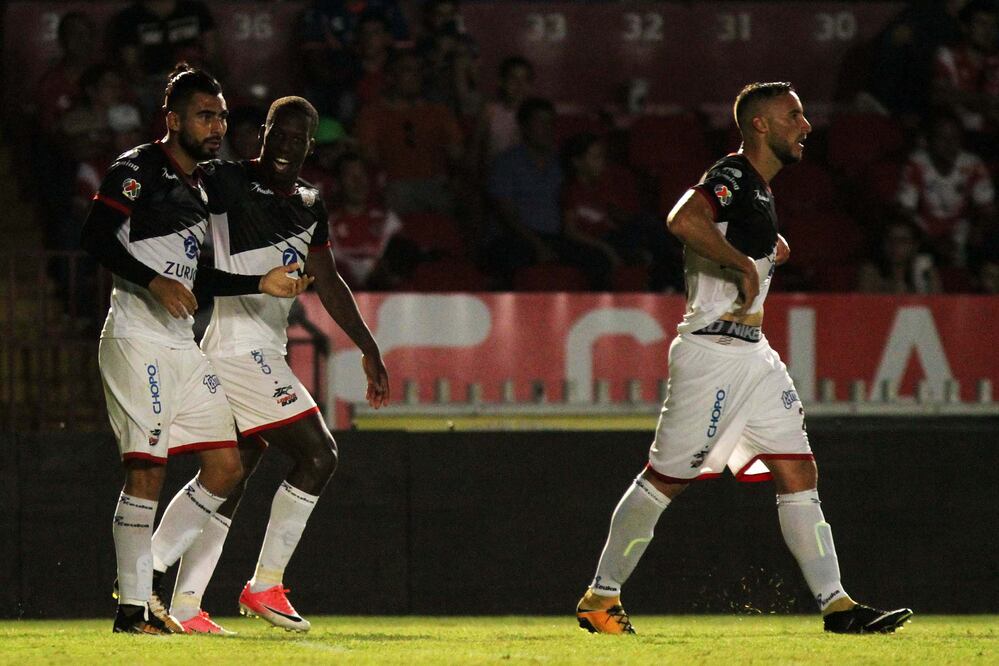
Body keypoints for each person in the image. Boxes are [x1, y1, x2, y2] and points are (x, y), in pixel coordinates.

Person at [575, 82, 913, 635]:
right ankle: (600, 597)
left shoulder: (758, 192)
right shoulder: (732, 175)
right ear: (760, 124)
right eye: (794, 116)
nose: (806, 126)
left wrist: (766, 250)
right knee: (666, 480)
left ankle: (837, 606)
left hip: (753, 355)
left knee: (797, 468)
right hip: (712, 352)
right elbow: (683, 220)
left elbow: (736, 239)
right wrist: (739, 263)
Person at [81, 64, 312, 635]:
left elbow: (193, 278)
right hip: (135, 337)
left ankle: (152, 577)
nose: (217, 127)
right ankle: (133, 608)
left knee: (227, 466)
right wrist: (151, 281)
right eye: (205, 116)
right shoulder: (137, 169)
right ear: (174, 119)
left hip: (181, 343)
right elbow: (94, 236)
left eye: (222, 117)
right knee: (146, 471)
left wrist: (259, 283)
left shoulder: (202, 186)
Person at [155, 96, 390, 634]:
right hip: (239, 349)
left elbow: (328, 281)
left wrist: (369, 348)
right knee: (319, 455)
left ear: (311, 146)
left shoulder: (309, 202)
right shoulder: (227, 180)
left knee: (228, 477)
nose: (285, 146)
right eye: (276, 135)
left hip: (261, 347)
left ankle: (183, 604)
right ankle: (264, 583)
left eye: (297, 138)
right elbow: (179, 170)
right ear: (262, 134)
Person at [897, 110, 996, 267]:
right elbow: (905, 212)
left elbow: (988, 209)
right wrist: (933, 242)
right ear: (928, 140)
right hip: (925, 230)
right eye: (942, 138)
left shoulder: (971, 164)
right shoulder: (917, 163)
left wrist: (978, 229)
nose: (949, 144)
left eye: (955, 138)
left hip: (960, 229)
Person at [857, 219, 942, 293]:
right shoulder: (870, 272)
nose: (895, 245)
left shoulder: (925, 271)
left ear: (915, 245)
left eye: (903, 240)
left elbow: (936, 301)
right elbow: (863, 303)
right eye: (890, 239)